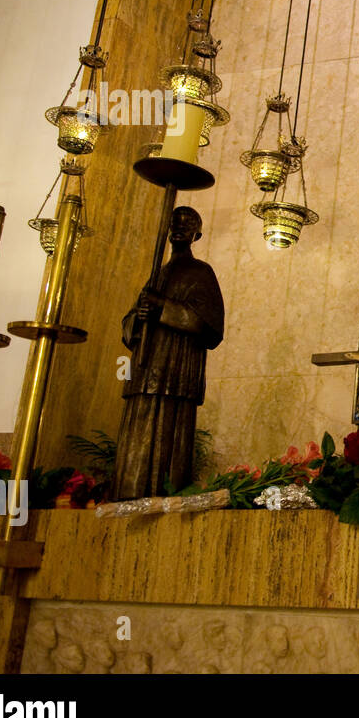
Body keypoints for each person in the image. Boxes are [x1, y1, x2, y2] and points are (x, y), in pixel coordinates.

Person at [114, 206, 224, 499]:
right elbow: (127, 327)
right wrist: (139, 315)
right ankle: (128, 495)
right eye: (175, 222)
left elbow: (210, 327)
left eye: (187, 224)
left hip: (176, 370)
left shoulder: (201, 273)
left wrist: (163, 307)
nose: (179, 227)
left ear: (196, 233)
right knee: (136, 441)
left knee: (167, 442)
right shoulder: (156, 275)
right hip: (146, 368)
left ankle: (159, 495)